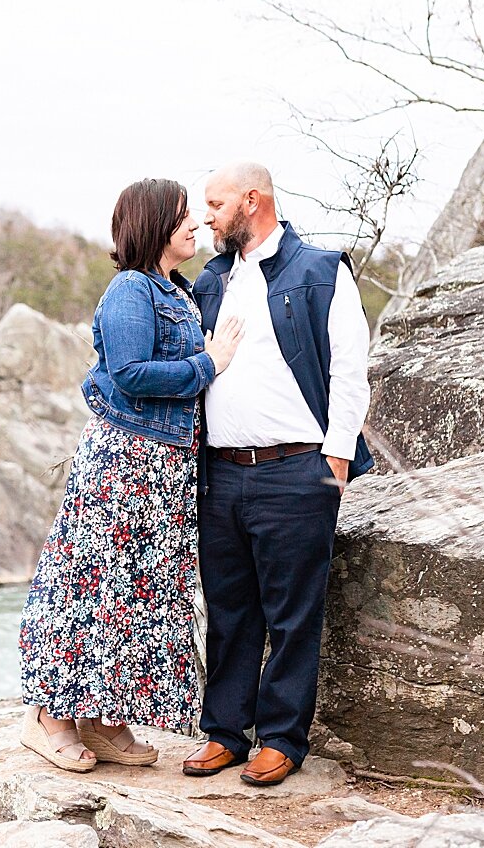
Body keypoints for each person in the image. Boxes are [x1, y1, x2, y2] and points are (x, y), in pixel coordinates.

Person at [17, 178, 244, 772]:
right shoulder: (129, 291)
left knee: (135, 601)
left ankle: (102, 719)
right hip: (124, 465)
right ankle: (47, 719)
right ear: (152, 227)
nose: (194, 223)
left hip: (166, 468)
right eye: (180, 216)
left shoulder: (180, 290)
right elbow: (130, 374)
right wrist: (209, 363)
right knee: (88, 593)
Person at [180, 161, 373, 787]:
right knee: (230, 610)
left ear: (251, 200)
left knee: (294, 614)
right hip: (221, 473)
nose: (205, 215)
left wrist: (337, 454)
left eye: (214, 203)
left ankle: (283, 739)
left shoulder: (321, 271)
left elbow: (349, 366)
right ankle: (225, 735)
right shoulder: (210, 281)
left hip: (297, 470)